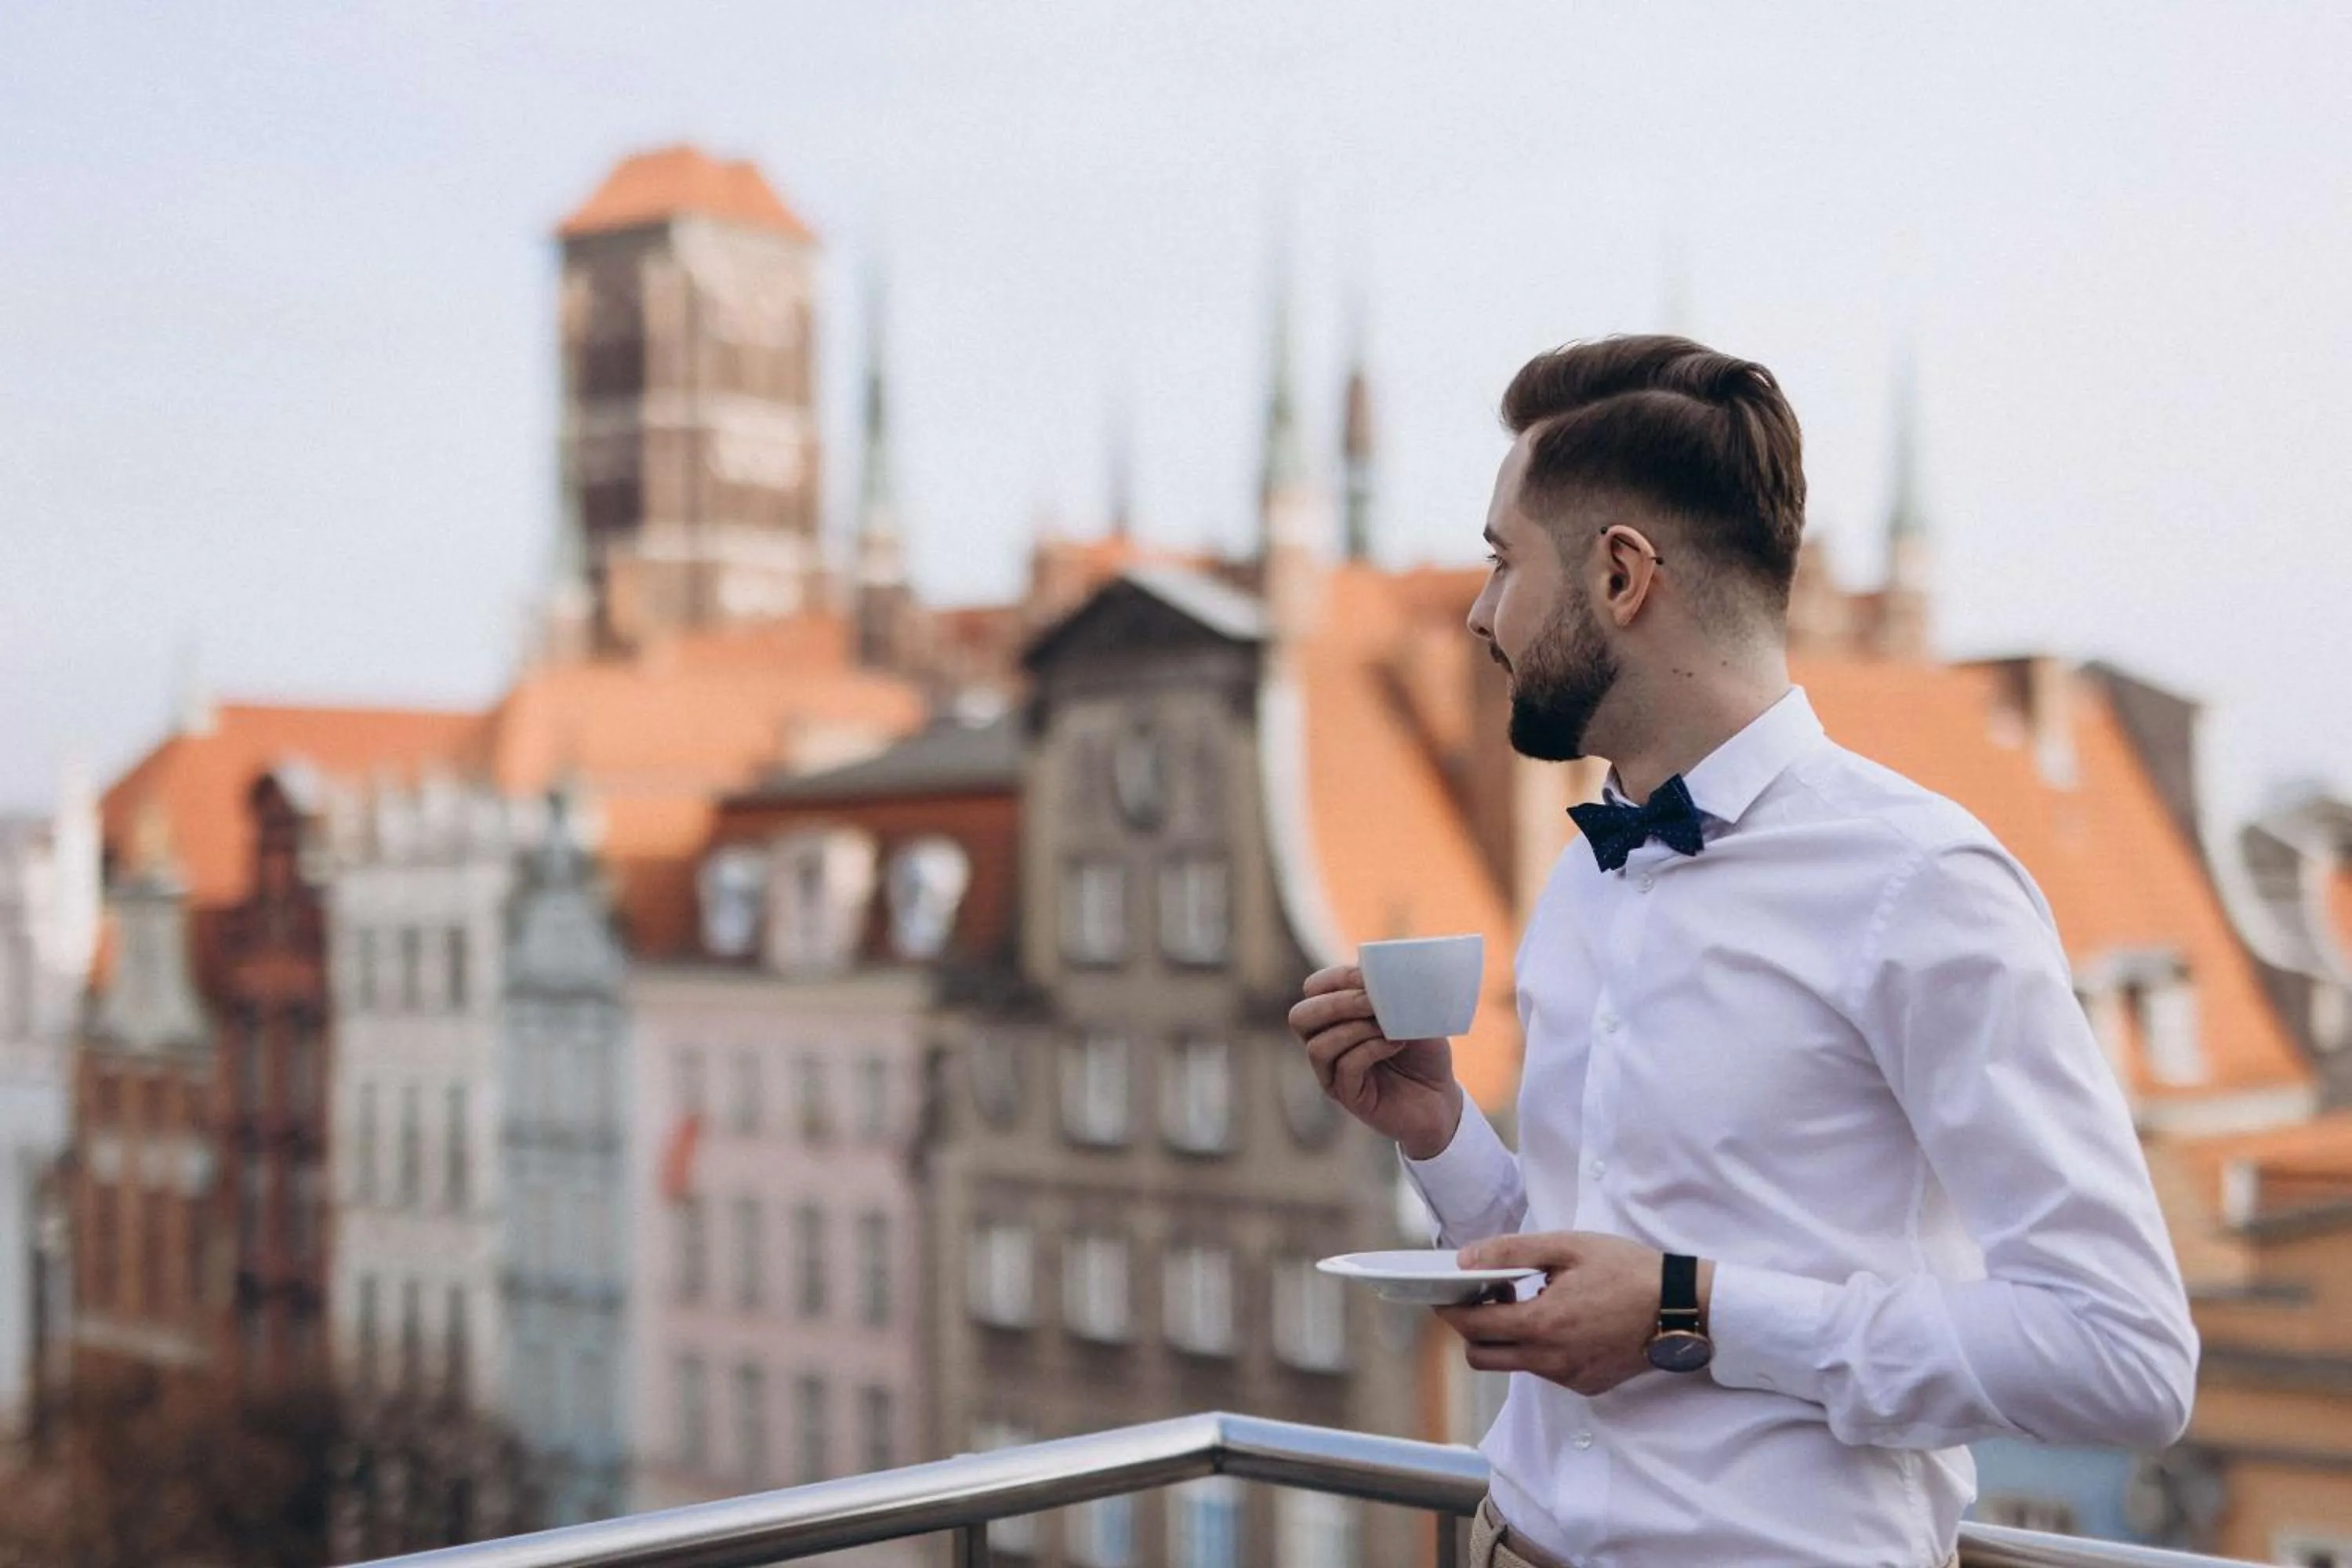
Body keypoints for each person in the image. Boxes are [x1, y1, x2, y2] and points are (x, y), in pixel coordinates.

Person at [1286, 336, 2197, 1568]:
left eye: (1504, 561)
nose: (1477, 610)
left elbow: (2126, 1359)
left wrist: (1694, 1308)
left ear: (1621, 575)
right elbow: (1578, 1265)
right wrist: (1439, 1132)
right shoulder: (1584, 871)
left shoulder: (1921, 885)